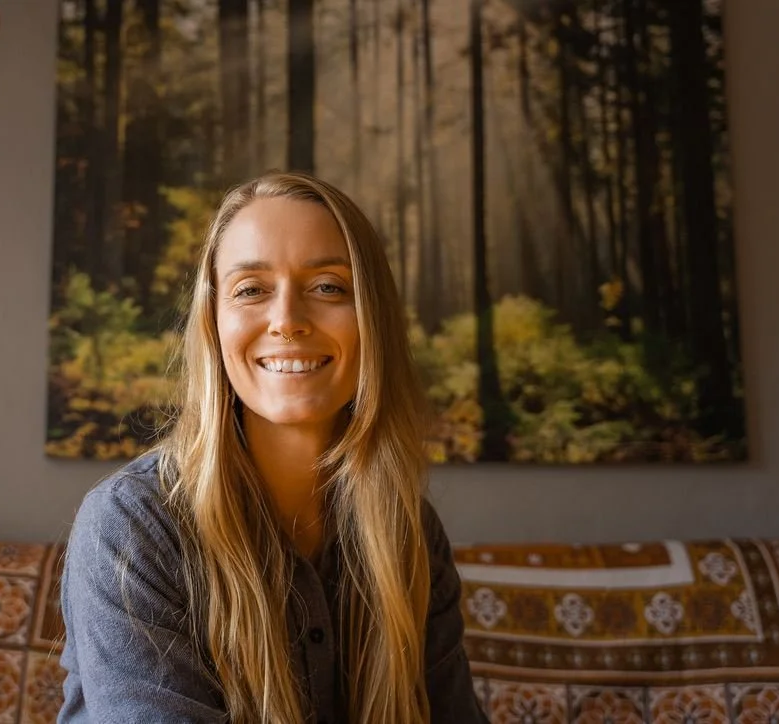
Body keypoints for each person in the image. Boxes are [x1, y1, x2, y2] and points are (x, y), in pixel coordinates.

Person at [58, 171, 489, 724]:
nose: (287, 320)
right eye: (252, 290)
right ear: (214, 323)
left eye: (329, 287)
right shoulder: (133, 525)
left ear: (372, 319)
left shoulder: (410, 531)